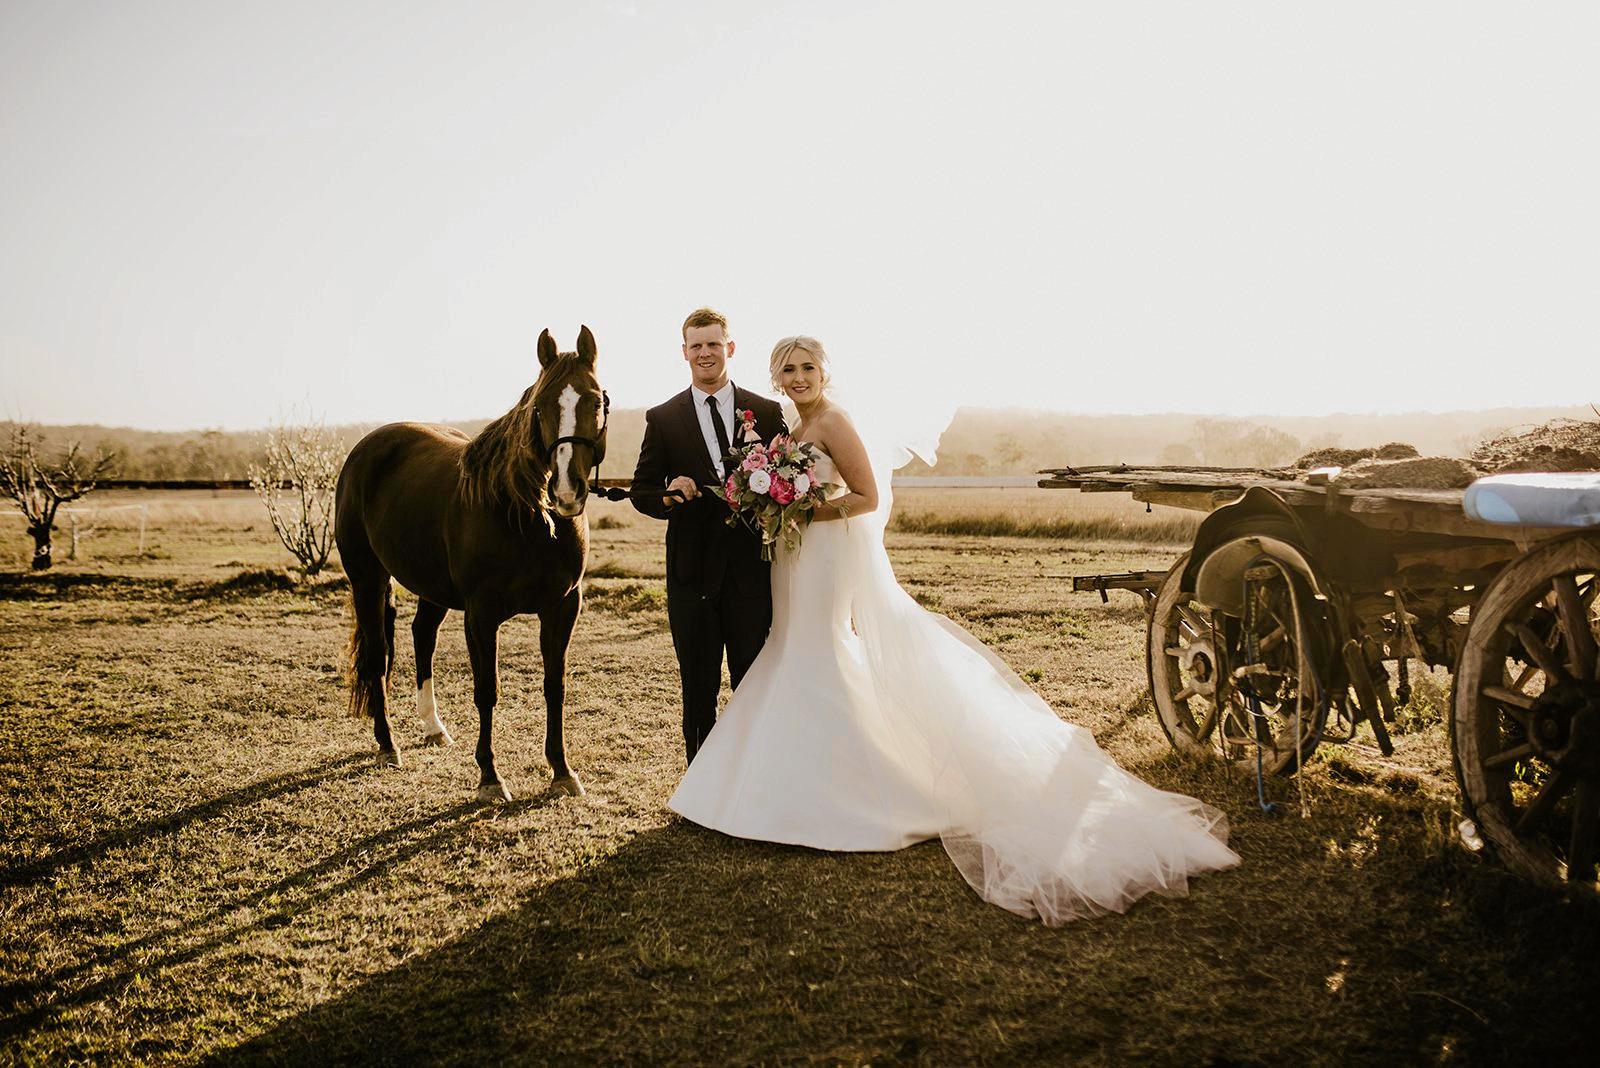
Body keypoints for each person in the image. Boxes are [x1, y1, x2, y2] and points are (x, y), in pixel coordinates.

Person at [668, 335, 1240, 925]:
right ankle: (770, 791)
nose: (798, 376)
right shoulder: (792, 426)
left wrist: (808, 510)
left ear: (824, 372)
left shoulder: (835, 422)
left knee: (818, 651)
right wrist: (773, 502)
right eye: (787, 369)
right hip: (795, 557)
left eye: (808, 367)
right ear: (776, 376)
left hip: (825, 554)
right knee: (789, 647)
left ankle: (857, 793)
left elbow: (864, 496)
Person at [630, 308, 788, 763]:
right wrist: (668, 493)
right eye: (696, 345)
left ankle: (753, 777)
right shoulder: (663, 418)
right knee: (698, 686)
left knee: (752, 681)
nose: (705, 353)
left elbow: (786, 485)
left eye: (713, 344)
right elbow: (642, 491)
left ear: (730, 348)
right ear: (684, 353)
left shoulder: (768, 411)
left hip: (751, 575)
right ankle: (700, 784)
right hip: (691, 575)